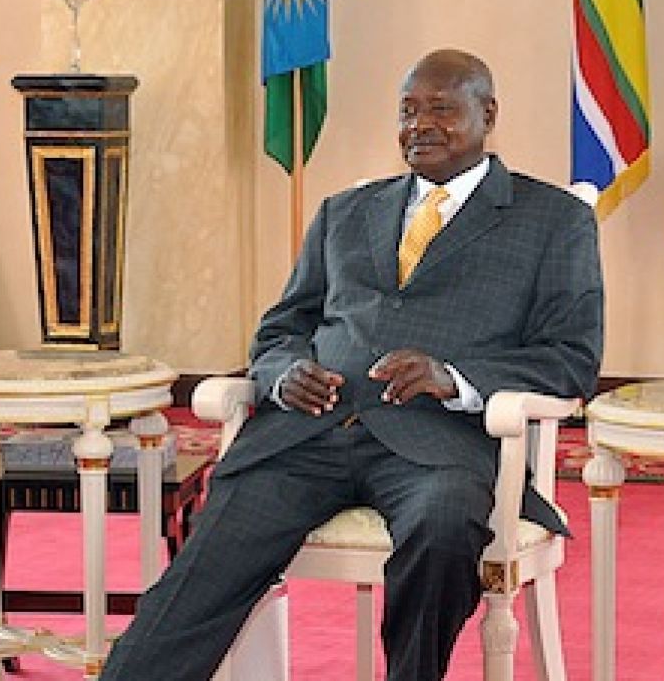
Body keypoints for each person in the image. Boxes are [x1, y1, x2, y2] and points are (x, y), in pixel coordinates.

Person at [101, 48, 605, 680]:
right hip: (306, 435)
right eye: (408, 111)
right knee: (206, 564)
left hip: (441, 446)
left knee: (443, 526)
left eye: (442, 109)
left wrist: (454, 379)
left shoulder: (552, 221)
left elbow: (572, 358)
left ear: (488, 114)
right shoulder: (347, 211)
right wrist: (285, 373)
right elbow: (284, 325)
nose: (420, 125)